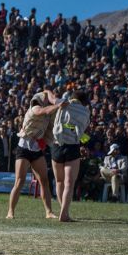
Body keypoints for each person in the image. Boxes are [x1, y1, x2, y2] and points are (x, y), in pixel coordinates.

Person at [6, 88, 65, 219]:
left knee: (44, 181)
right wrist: (58, 104)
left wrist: (52, 97)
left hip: (37, 150)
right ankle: (10, 212)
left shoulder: (48, 114)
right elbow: (43, 110)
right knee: (19, 181)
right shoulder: (35, 109)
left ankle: (49, 212)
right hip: (24, 149)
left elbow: (52, 125)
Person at [51, 90, 90, 221]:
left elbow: (53, 100)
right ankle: (64, 213)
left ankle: (63, 209)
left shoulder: (63, 103)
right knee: (69, 183)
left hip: (57, 145)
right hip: (72, 146)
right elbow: (82, 129)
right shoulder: (85, 112)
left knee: (59, 181)